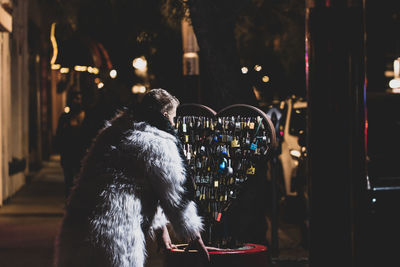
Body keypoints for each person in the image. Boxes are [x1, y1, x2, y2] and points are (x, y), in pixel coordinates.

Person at [54, 88, 209, 267]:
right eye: (173, 118)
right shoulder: (158, 143)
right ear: (165, 115)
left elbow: (140, 185)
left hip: (78, 227)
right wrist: (194, 235)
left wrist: (161, 229)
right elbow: (175, 194)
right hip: (115, 233)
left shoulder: (113, 132)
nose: (174, 125)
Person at [55, 90, 86, 198]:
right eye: (75, 98)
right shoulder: (64, 117)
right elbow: (59, 135)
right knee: (68, 180)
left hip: (80, 154)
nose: (77, 101)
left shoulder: (85, 117)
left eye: (79, 99)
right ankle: (69, 202)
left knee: (79, 181)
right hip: (68, 154)